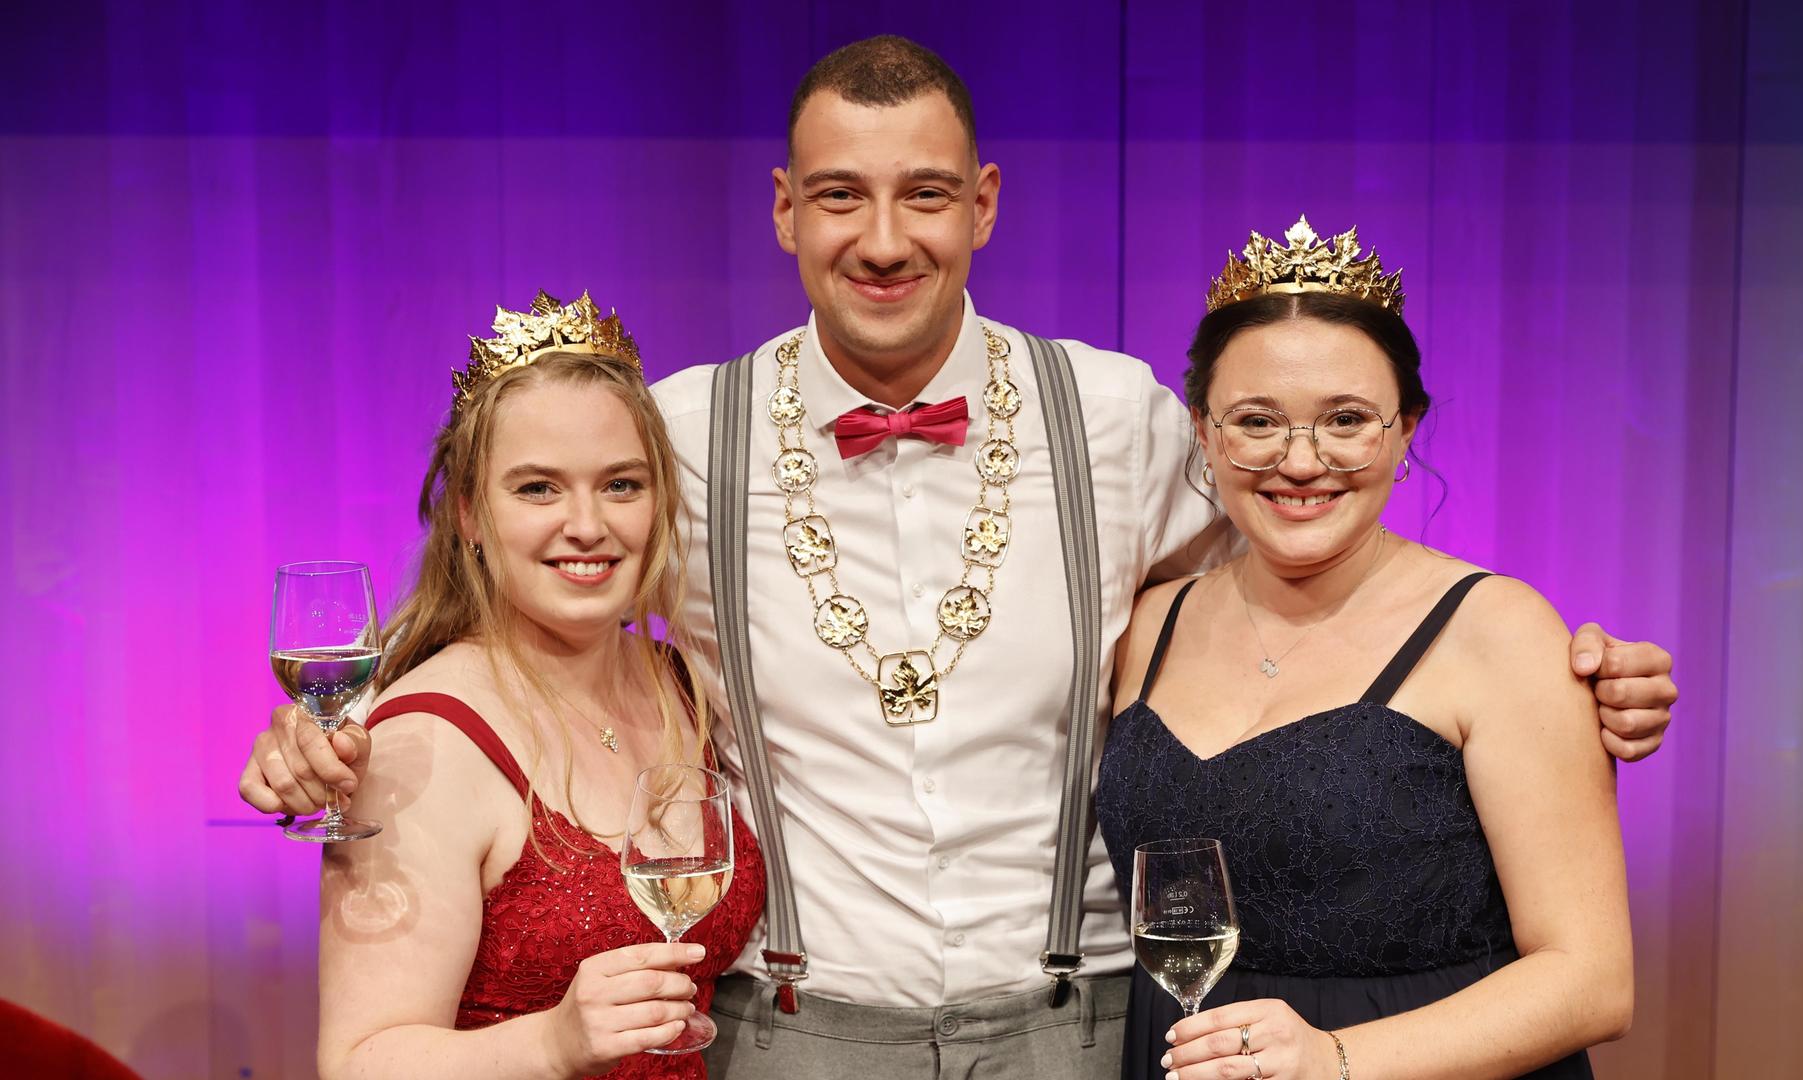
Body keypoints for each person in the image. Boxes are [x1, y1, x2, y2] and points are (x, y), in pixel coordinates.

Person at [238, 37, 1677, 1079]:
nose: (884, 238)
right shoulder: (673, 434)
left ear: (982, 204)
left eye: (924, 195)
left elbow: (1304, 515)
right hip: (790, 1036)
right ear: (785, 212)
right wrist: (332, 732)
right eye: (841, 197)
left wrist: (1563, 673)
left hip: (1087, 1022)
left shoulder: (1116, 413)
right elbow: (531, 566)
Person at [1097, 218, 1632, 1080]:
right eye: (1257, 421)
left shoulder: (1497, 630)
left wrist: (1336, 1058)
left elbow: (1593, 982)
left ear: (1405, 431)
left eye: (1346, 420)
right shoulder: (1149, 622)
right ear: (1203, 433)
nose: (1301, 461)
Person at [304, 292, 765, 1080]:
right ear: (470, 516)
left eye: (621, 485)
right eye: (538, 489)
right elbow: (358, 1061)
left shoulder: (684, 683)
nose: (587, 525)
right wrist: (551, 1044)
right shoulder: (422, 743)